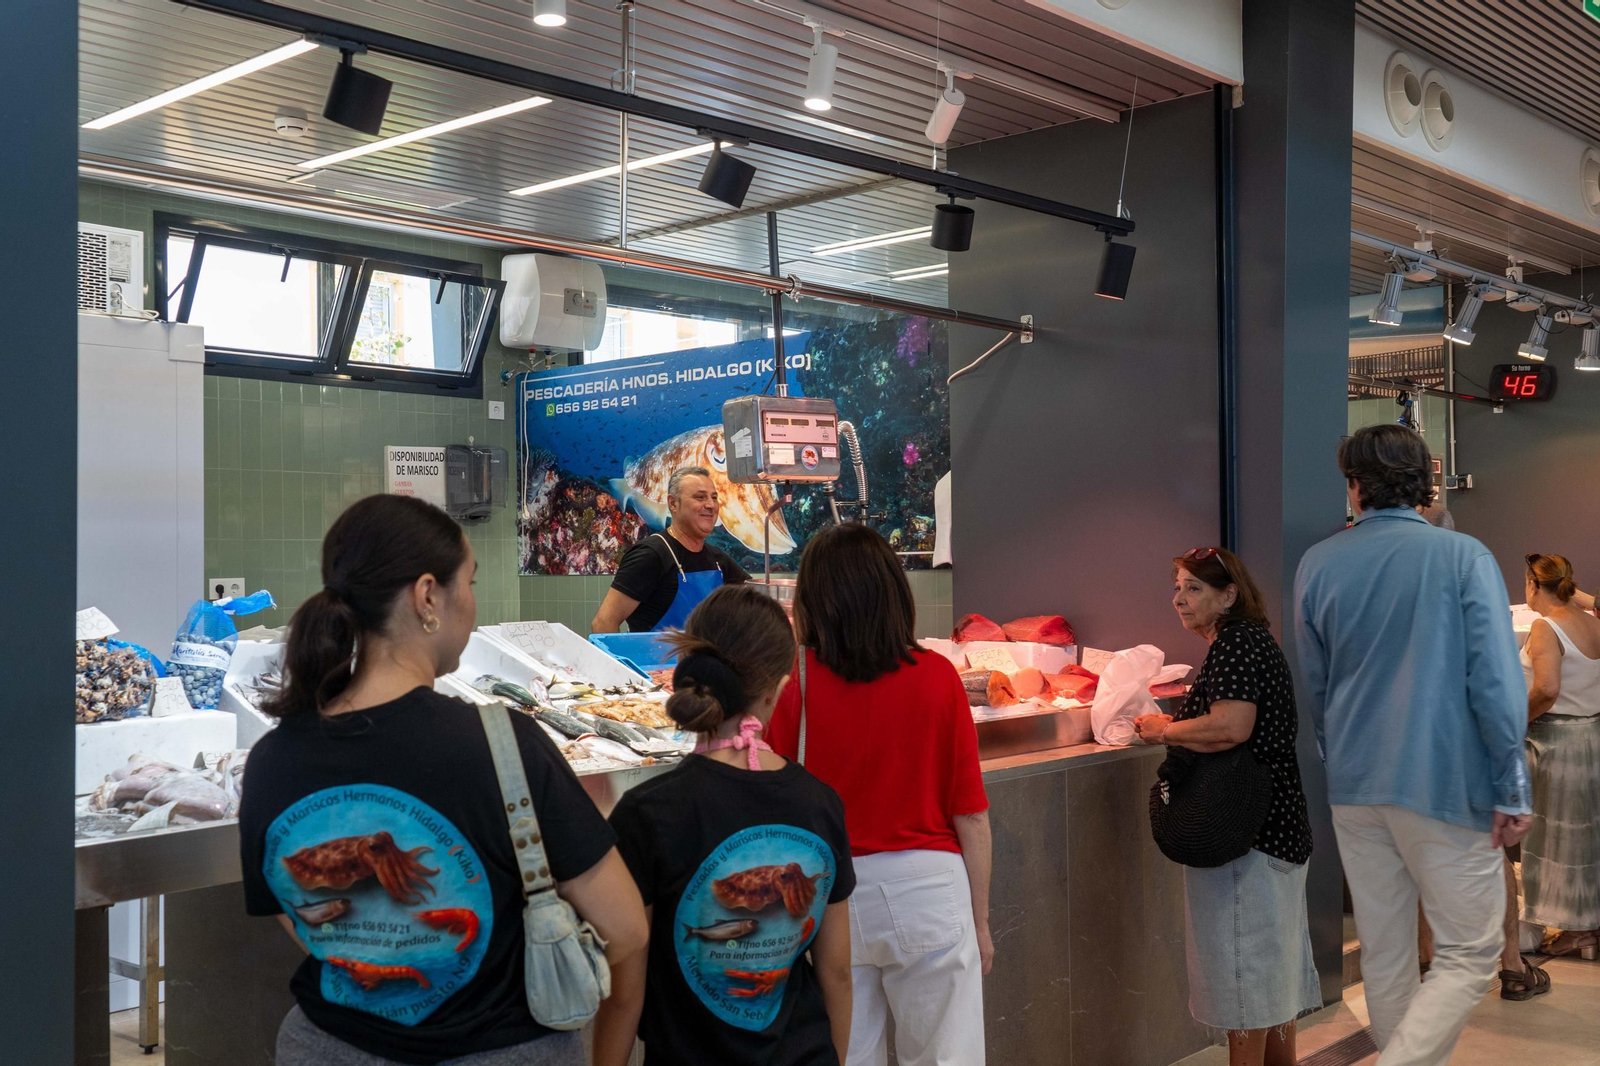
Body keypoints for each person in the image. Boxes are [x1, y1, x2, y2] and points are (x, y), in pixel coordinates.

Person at [239, 495, 649, 1066]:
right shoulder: (503, 746)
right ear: (428, 596)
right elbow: (626, 929)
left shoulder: (271, 760)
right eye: (471, 582)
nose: (473, 603)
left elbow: (303, 922)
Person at [1294, 424, 1531, 1066]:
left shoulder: (1318, 563)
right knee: (1471, 950)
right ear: (1426, 485)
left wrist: (1338, 755)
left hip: (1354, 785)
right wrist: (1511, 785)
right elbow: (1496, 683)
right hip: (1446, 783)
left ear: (1354, 487)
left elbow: (1314, 689)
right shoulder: (1464, 558)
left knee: (1387, 955)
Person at [597, 584, 855, 1066]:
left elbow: (624, 994)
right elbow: (837, 971)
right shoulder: (821, 805)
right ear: (780, 689)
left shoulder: (648, 811)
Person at [766, 522, 992, 1066]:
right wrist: (981, 922)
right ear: (894, 592)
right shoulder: (938, 677)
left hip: (826, 893)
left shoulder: (790, 682)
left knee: (845, 1055)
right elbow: (972, 817)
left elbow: (769, 797)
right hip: (929, 892)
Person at [1134, 547, 1319, 1066]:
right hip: (1276, 832)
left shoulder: (1237, 643)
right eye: (1177, 586)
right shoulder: (1246, 642)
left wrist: (1163, 729)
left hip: (1249, 838)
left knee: (1245, 987)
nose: (1179, 599)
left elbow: (1231, 726)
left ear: (1229, 594)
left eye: (1194, 588)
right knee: (1270, 989)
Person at [1519, 553, 1600, 962]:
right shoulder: (1591, 621)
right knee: (1586, 839)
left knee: (1558, 840)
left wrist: (1515, 723)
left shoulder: (1545, 627)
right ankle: (1586, 924)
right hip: (1591, 734)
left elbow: (1546, 690)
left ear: (1533, 585)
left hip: (1557, 741)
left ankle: (1576, 928)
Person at [592, 466, 750, 633]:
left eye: (714, 498)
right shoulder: (650, 555)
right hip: (656, 658)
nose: (711, 505)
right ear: (673, 503)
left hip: (705, 658)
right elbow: (603, 623)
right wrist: (618, 659)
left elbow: (758, 601)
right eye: (700, 497)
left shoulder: (718, 560)